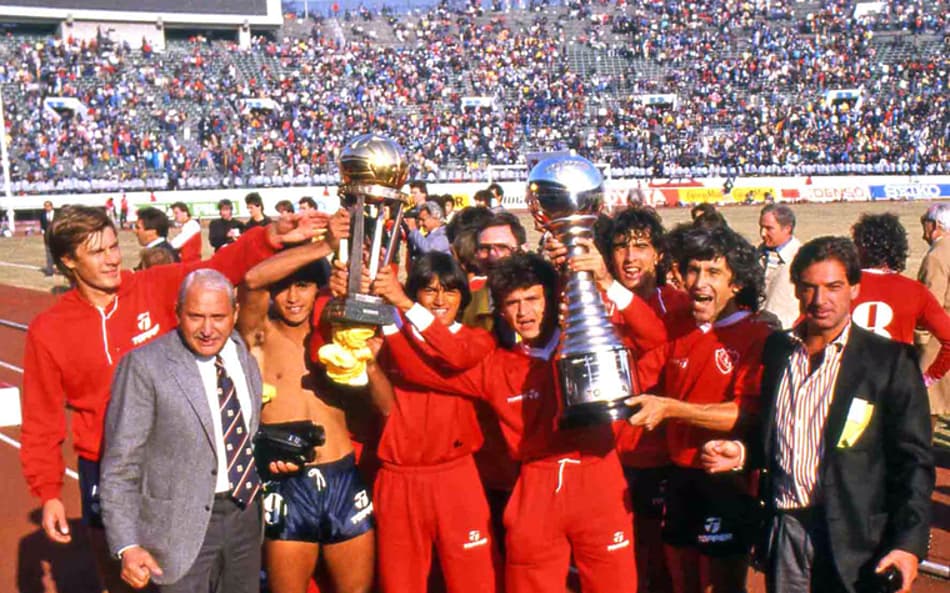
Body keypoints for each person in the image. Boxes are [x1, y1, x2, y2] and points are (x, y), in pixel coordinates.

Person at [20, 204, 321, 591]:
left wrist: (269, 237)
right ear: (67, 260)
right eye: (97, 252)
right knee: (126, 579)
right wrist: (48, 492)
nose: (112, 259)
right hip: (108, 466)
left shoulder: (152, 286)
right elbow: (41, 419)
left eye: (114, 246)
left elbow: (220, 269)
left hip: (177, 462)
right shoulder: (49, 330)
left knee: (191, 569)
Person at [380, 252, 649, 593]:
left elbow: (654, 337)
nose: (524, 313)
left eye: (533, 299)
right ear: (501, 312)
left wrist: (607, 281)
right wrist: (389, 319)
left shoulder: (591, 347)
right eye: (512, 303)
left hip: (598, 477)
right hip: (536, 487)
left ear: (553, 299)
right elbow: (419, 370)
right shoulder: (496, 365)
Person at [701, 236, 935, 593]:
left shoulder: (889, 362)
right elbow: (777, 434)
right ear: (796, 289)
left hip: (858, 541)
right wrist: (743, 454)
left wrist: (908, 544)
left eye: (833, 287)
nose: (820, 299)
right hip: (787, 530)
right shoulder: (778, 350)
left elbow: (914, 461)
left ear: (854, 289)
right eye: (809, 287)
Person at [618, 225, 771, 593]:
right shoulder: (677, 326)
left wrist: (672, 409)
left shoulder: (757, 336)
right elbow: (638, 379)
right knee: (680, 581)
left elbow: (744, 414)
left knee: (722, 584)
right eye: (693, 270)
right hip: (677, 474)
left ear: (736, 283)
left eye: (713, 272)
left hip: (725, 477)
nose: (700, 282)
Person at [236, 213, 376, 593]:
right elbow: (252, 280)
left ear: (320, 288)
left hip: (342, 476)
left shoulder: (337, 334)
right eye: (284, 288)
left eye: (304, 286)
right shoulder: (259, 336)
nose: (293, 298)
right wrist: (325, 245)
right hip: (287, 483)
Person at [101, 270, 264, 592]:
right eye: (195, 316)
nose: (207, 329)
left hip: (244, 516)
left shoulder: (239, 351)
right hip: (177, 531)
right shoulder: (145, 366)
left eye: (218, 317)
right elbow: (121, 463)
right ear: (177, 313)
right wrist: (127, 544)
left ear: (235, 314)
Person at [367, 252, 501, 592]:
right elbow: (384, 407)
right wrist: (371, 365)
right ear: (417, 292)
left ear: (463, 296)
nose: (440, 300)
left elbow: (448, 358)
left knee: (474, 582)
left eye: (450, 291)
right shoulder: (390, 336)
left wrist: (402, 306)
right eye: (429, 290)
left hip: (455, 477)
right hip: (399, 479)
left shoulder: (477, 341)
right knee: (400, 585)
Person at [849, 213, 950, 388]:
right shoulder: (915, 291)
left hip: (849, 384)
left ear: (860, 248)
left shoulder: (841, 288)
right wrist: (929, 378)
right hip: (895, 387)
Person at [918, 203, 950, 428]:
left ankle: (923, 446)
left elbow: (931, 303)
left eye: (925, 223)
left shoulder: (937, 256)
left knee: (929, 399)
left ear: (936, 225)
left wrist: (919, 339)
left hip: (940, 337)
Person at [759, 204, 802, 329]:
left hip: (787, 331)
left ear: (787, 228)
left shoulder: (800, 258)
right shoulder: (757, 254)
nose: (762, 233)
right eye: (761, 227)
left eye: (769, 228)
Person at [40, 200, 56, 276]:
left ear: (52, 206)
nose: (47, 207)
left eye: (48, 206)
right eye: (45, 206)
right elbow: (42, 225)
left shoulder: (57, 214)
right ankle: (50, 272)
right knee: (48, 254)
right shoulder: (42, 215)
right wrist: (43, 231)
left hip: (57, 237)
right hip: (47, 237)